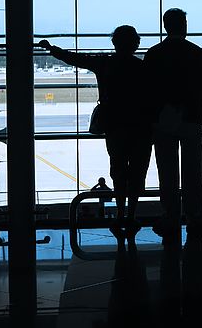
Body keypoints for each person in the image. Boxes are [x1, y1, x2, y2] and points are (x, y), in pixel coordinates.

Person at [38, 26, 151, 235]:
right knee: (137, 171)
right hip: (141, 126)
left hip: (114, 125)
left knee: (118, 168)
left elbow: (74, 58)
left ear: (114, 43)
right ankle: (131, 214)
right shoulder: (143, 67)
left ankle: (119, 213)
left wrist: (52, 49)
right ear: (136, 44)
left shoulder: (105, 63)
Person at [142, 8, 202, 242]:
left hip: (163, 119)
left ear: (165, 26)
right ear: (183, 25)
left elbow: (148, 88)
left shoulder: (154, 54)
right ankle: (194, 216)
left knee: (167, 170)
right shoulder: (196, 53)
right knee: (193, 169)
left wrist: (165, 106)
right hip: (191, 117)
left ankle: (170, 216)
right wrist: (186, 103)